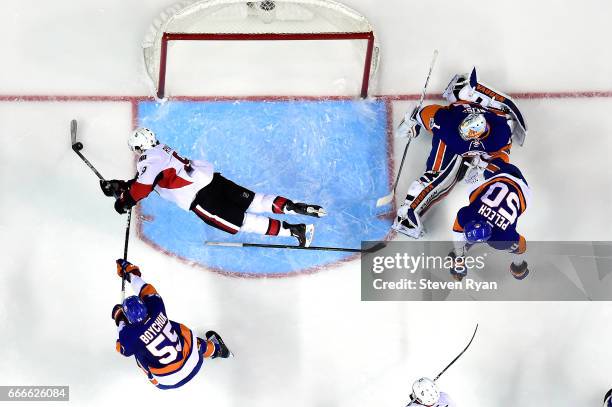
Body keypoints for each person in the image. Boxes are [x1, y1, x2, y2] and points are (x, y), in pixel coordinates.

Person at [101, 128, 326, 247]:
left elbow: (143, 188)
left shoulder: (148, 159)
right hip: (213, 181)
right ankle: (293, 206)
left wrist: (124, 201)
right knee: (255, 200)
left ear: (139, 147)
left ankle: (296, 230)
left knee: (244, 222)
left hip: (202, 200)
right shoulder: (162, 149)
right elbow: (150, 180)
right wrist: (122, 186)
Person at [394, 68, 526, 239]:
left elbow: (501, 159)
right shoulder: (449, 127)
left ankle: (463, 89)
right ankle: (408, 212)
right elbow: (427, 114)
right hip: (448, 142)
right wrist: (412, 121)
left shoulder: (499, 134)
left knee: (455, 175)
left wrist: (483, 167)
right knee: (441, 178)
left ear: (484, 131)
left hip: (466, 129)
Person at [112, 259, 231, 389]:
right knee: (179, 332)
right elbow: (146, 289)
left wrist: (119, 317)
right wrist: (130, 273)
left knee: (138, 352)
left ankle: (154, 378)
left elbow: (122, 348)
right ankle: (218, 350)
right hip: (193, 362)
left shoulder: (130, 335)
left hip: (165, 382)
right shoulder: (156, 307)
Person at [448, 159, 531, 281]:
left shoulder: (468, 216)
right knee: (474, 191)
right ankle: (477, 170)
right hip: (504, 174)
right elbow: (521, 245)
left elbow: (522, 245)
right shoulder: (500, 238)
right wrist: (518, 266)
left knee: (475, 192)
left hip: (522, 189)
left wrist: (459, 256)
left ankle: (477, 171)